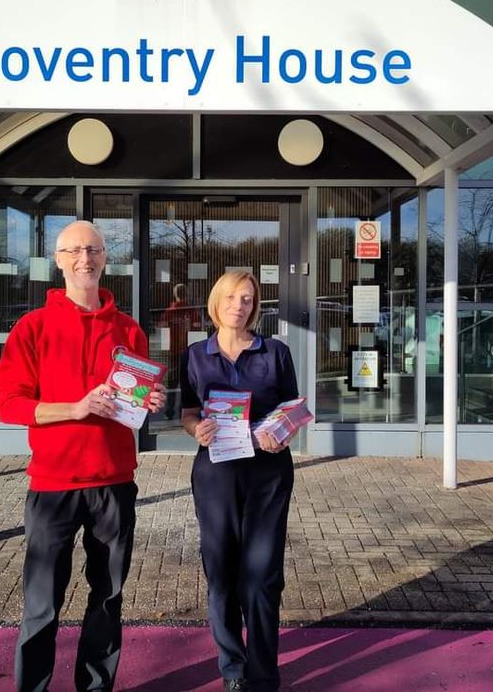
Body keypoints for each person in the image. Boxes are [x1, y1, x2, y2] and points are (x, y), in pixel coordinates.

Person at [0, 220, 166, 692]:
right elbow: (8, 405)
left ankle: (95, 687)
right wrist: (74, 407)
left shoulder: (129, 331)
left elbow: (133, 407)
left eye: (92, 249)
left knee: (108, 598)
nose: (83, 259)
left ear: (106, 257)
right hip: (53, 485)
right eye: (73, 250)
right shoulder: (33, 327)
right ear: (58, 260)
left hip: (113, 481)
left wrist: (150, 403)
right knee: (41, 603)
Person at [179, 270, 299, 692]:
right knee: (222, 572)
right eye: (231, 297)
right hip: (216, 475)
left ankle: (264, 675)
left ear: (255, 306)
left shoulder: (276, 352)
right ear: (217, 302)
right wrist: (196, 429)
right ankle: (233, 669)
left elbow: (291, 410)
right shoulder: (195, 354)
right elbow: (188, 411)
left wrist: (280, 433)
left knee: (263, 575)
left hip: (267, 475)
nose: (239, 305)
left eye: (247, 299)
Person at [158, 283, 201, 420]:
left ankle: (169, 411)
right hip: (189, 353)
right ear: (186, 294)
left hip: (173, 352)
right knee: (186, 383)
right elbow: (198, 330)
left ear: (175, 295)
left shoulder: (169, 312)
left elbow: (161, 329)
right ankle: (184, 411)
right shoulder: (191, 311)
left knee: (172, 383)